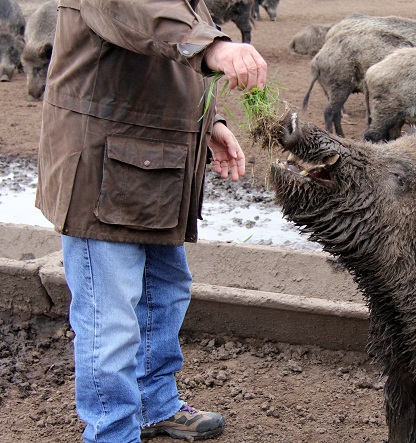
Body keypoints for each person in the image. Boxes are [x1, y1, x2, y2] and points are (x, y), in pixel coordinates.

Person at [34, 0, 267, 441]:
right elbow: (143, 13)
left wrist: (209, 121)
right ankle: (113, 432)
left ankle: (153, 405)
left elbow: (167, 60)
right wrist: (212, 46)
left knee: (165, 293)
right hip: (102, 167)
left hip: (154, 167)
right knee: (111, 316)